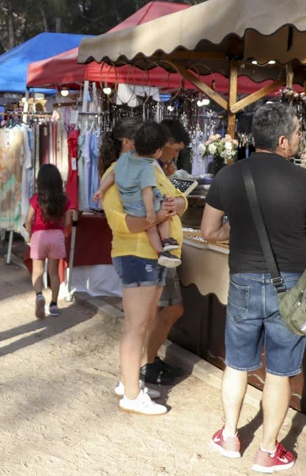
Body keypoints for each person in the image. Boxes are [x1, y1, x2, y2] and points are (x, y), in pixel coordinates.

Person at [201, 102, 306, 472]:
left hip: (242, 279)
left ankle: (229, 436)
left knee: (237, 364)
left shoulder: (229, 175)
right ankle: (268, 450)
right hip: (290, 284)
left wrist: (235, 231)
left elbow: (210, 231)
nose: (301, 138)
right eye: (298, 132)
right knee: (279, 372)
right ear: (283, 140)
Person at [99, 118, 186, 416]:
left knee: (144, 322)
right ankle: (132, 395)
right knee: (136, 326)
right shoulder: (118, 171)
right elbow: (121, 224)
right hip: (137, 255)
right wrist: (159, 217)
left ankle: (130, 382)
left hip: (154, 256)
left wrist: (175, 206)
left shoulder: (150, 168)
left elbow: (178, 197)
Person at [140, 119, 190, 387]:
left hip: (163, 247)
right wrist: (174, 204)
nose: (176, 155)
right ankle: (146, 364)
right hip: (159, 249)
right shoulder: (148, 169)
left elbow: (173, 203)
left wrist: (177, 200)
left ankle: (149, 359)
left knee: (165, 308)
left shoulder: (156, 169)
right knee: (171, 308)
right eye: (176, 149)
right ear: (165, 144)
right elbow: (161, 207)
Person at [94, 120, 182, 268]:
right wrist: (155, 214)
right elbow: (144, 193)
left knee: (156, 223)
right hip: (138, 254)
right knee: (155, 225)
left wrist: (100, 189)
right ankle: (164, 246)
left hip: (145, 252)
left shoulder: (129, 162)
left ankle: (163, 249)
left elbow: (176, 195)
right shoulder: (144, 167)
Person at [23, 163, 72, 319]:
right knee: (54, 272)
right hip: (56, 236)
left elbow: (28, 219)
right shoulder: (64, 200)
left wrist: (30, 233)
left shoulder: (36, 199)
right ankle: (54, 305)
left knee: (37, 271)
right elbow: (67, 223)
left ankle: (39, 295)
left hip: (39, 236)